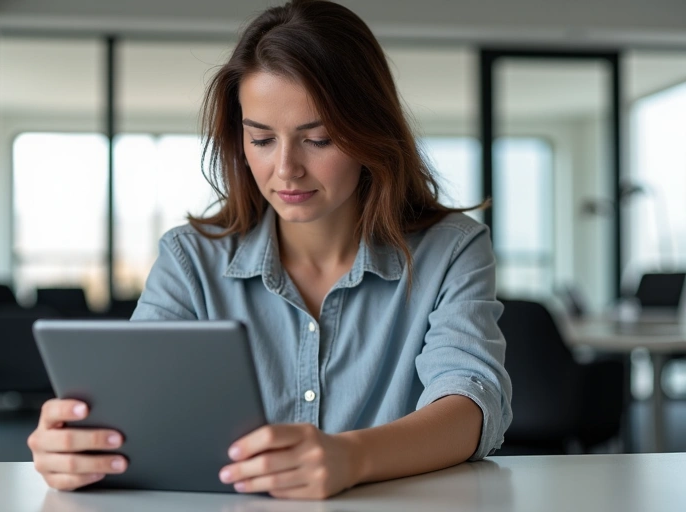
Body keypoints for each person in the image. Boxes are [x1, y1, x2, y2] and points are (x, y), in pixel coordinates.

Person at [27, 0, 512, 500]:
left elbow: (472, 402)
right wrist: (75, 444)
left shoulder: (453, 250)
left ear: (371, 133)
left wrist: (351, 456)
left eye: (318, 139)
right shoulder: (190, 260)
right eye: (261, 139)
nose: (285, 170)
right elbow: (138, 412)